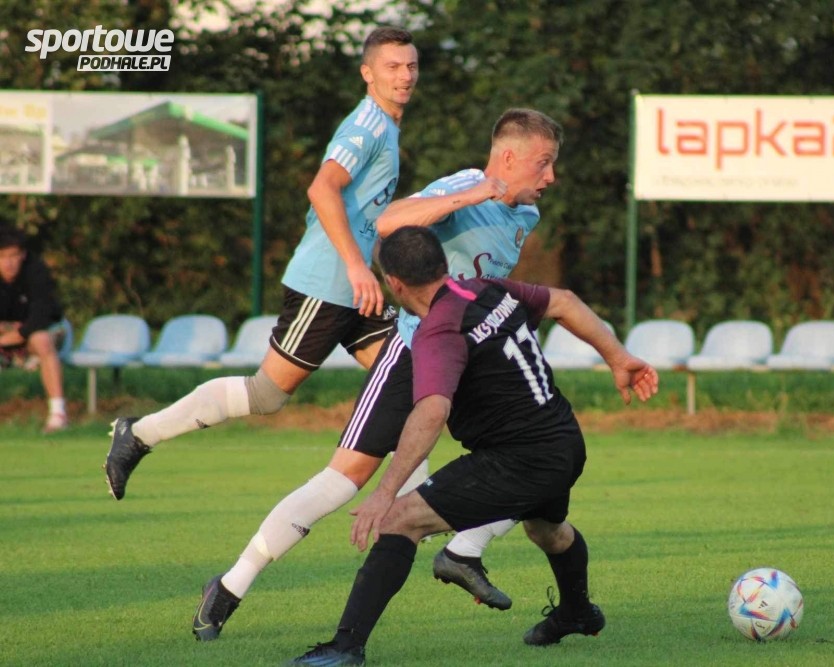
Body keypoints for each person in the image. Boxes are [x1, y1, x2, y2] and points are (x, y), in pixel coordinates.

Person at [191, 108, 564, 641]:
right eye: (543, 163)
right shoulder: (464, 186)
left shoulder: (527, 213)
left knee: (541, 453)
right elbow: (389, 224)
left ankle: (465, 551)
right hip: (412, 354)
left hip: (470, 358)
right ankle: (230, 585)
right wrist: (474, 195)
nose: (550, 176)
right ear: (508, 157)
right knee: (342, 480)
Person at [286, 226, 659, 665]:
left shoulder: (439, 330)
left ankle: (345, 647)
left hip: (519, 459)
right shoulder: (485, 288)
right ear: (443, 264)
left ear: (395, 284)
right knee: (547, 531)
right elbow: (564, 301)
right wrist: (618, 358)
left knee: (398, 520)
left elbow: (432, 411)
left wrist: (384, 493)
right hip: (563, 440)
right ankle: (577, 612)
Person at [103, 26, 419, 500]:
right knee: (267, 395)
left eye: (411, 65)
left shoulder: (387, 126)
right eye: (392, 66)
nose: (405, 75)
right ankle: (139, 433)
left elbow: (360, 214)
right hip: (327, 284)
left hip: (355, 287)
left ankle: (417, 507)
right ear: (367, 73)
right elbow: (322, 189)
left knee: (407, 377)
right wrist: (356, 267)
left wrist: (370, 268)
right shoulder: (368, 125)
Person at [0, 225, 69, 434]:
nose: (8, 263)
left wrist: (15, 336)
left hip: (46, 329)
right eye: (2, 257)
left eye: (13, 256)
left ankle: (58, 414)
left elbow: (41, 316)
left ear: (22, 255)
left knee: (40, 340)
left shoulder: (36, 271)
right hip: (8, 332)